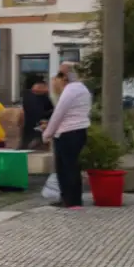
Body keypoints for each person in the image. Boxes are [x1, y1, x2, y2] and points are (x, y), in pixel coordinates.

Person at [43, 63, 92, 210]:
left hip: (67, 133)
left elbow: (59, 113)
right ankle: (72, 199)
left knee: (65, 168)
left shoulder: (70, 91)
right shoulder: (83, 90)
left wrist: (47, 134)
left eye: (60, 75)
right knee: (72, 166)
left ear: (66, 77)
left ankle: (70, 200)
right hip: (80, 130)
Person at [21, 80, 54, 150]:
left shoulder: (44, 97)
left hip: (39, 127)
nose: (46, 90)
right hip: (32, 127)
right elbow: (37, 112)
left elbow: (51, 110)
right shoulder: (29, 97)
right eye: (44, 87)